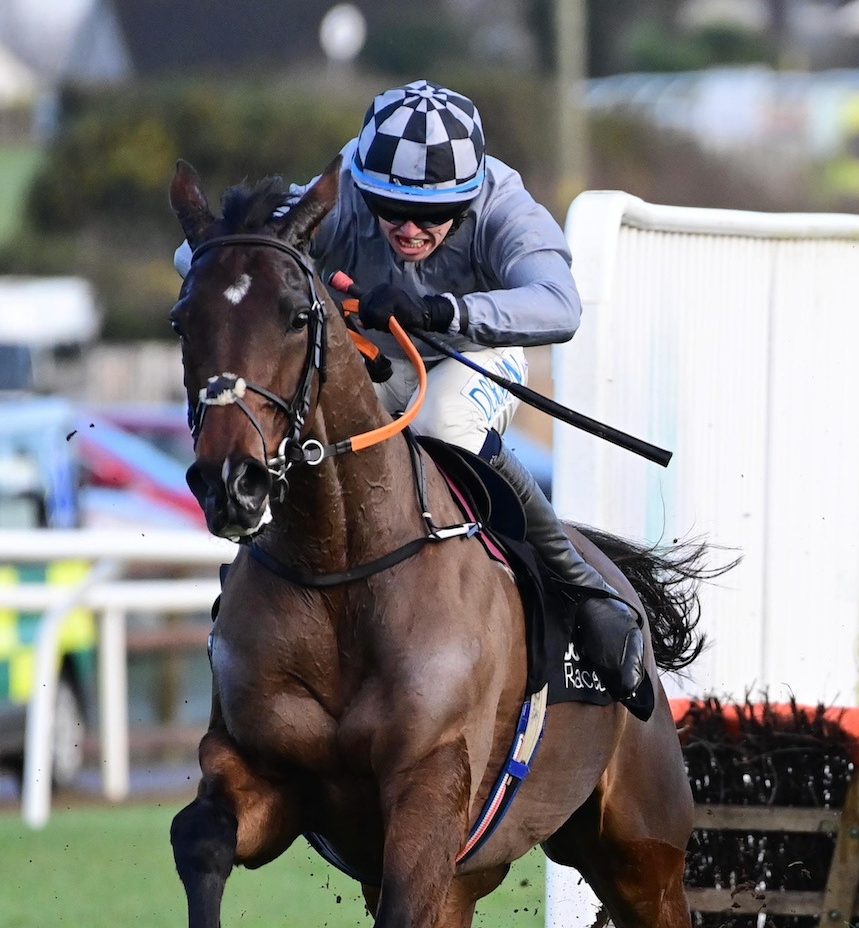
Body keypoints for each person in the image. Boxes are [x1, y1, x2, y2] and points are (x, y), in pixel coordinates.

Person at [177, 81, 653, 719]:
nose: (407, 229)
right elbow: (202, 257)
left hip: (470, 355)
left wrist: (440, 309)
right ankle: (250, 579)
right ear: (363, 184)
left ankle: (581, 587)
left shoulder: (503, 203)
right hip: (367, 362)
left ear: (470, 195)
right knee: (303, 427)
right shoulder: (341, 192)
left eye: (431, 216)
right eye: (389, 208)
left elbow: (559, 304)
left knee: (446, 421)